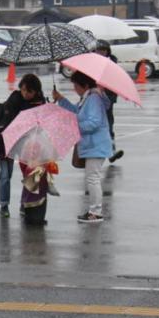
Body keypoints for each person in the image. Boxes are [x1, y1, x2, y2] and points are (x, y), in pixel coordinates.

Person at [54, 71, 113, 223]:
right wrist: (61, 100)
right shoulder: (87, 98)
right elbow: (76, 112)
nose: (74, 88)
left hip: (96, 145)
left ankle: (95, 212)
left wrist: (73, 126)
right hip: (93, 145)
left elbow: (93, 123)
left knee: (93, 178)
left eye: (76, 85)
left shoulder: (93, 98)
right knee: (92, 178)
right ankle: (94, 211)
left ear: (85, 85)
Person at [0, 73, 46, 220]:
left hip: (29, 143)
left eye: (29, 91)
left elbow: (42, 123)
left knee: (29, 173)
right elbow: (6, 124)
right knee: (5, 176)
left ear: (36, 91)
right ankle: (4, 205)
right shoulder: (14, 99)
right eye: (23, 90)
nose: (25, 94)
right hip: (8, 141)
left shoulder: (40, 102)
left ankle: (25, 203)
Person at [94, 40, 124, 163]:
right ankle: (90, 154)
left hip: (107, 100)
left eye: (103, 50)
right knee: (92, 127)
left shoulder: (112, 64)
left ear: (108, 51)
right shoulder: (90, 63)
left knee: (108, 125)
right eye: (98, 50)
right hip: (93, 99)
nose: (100, 52)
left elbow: (115, 83)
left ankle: (111, 152)